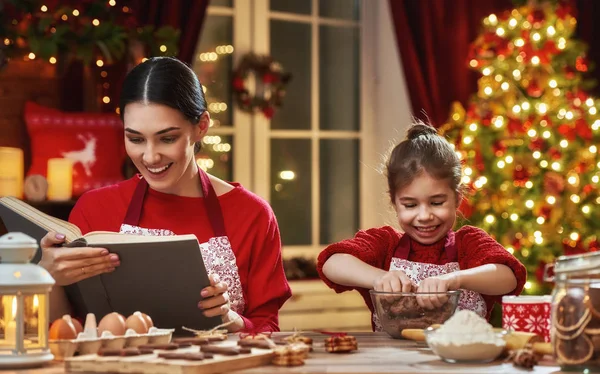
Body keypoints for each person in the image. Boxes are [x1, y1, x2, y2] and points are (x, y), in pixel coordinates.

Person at [39, 56, 292, 333]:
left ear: (201, 126)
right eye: (135, 139)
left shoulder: (252, 214)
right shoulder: (94, 209)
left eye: (167, 138)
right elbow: (65, 330)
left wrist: (229, 318)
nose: (150, 156)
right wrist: (46, 277)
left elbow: (268, 329)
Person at [317, 121, 527, 330]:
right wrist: (381, 277)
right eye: (410, 205)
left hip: (462, 362)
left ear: (458, 197)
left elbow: (508, 277)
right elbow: (332, 263)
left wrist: (454, 280)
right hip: (390, 362)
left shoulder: (468, 243)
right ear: (394, 202)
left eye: (437, 203)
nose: (424, 215)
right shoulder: (385, 243)